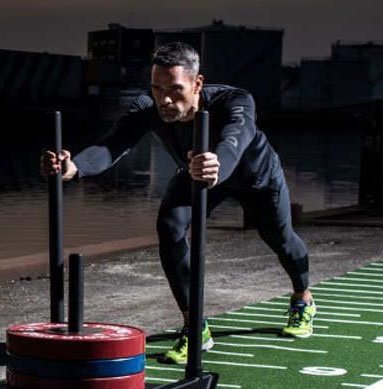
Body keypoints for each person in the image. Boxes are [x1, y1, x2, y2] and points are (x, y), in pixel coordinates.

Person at [41, 42, 314, 363]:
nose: (165, 100)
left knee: (280, 239)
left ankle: (303, 298)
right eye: (157, 88)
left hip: (253, 176)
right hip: (198, 172)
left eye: (175, 89)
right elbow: (113, 145)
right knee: (169, 223)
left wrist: (218, 165)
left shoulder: (236, 100)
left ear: (197, 84)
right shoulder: (148, 108)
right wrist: (74, 168)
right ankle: (195, 325)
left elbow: (234, 141)